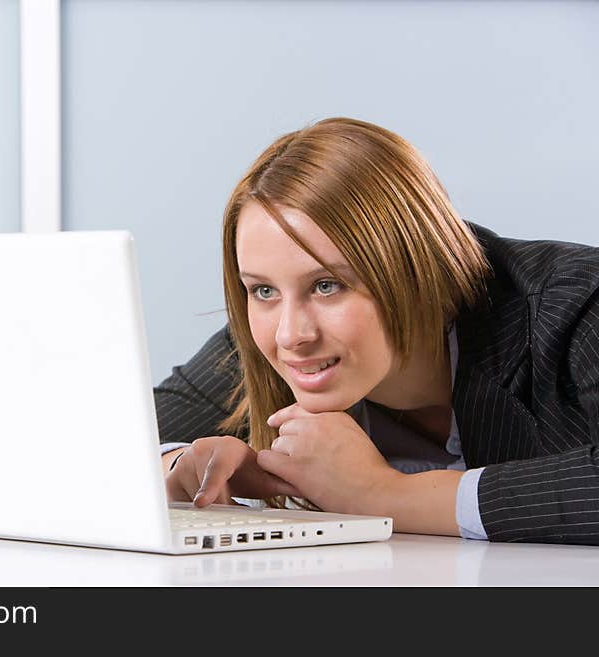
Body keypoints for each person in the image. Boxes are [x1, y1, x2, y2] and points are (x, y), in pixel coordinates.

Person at [155, 117, 599, 545]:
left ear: (423, 271)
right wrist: (183, 466)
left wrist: (382, 494)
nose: (290, 335)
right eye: (262, 289)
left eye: (327, 285)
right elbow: (109, 437)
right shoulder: (275, 334)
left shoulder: (578, 300)